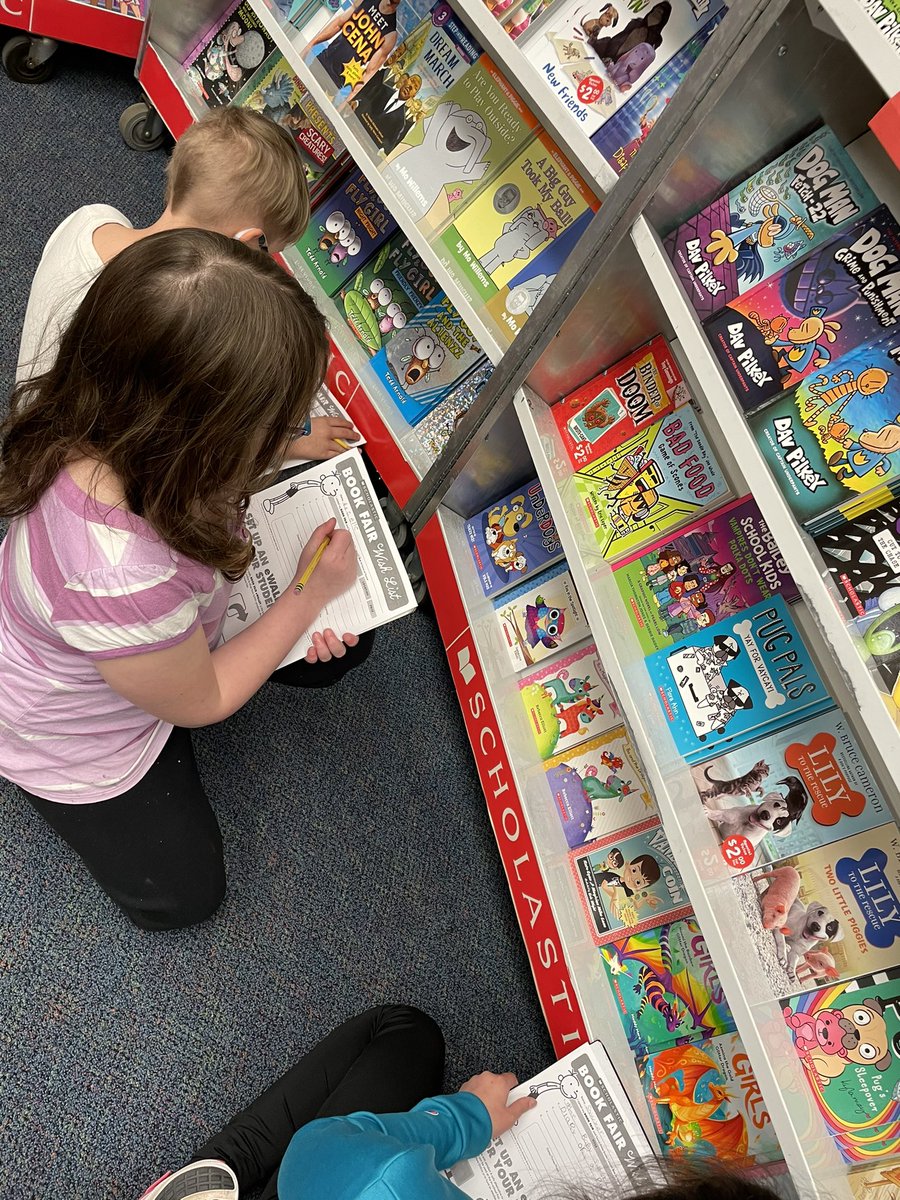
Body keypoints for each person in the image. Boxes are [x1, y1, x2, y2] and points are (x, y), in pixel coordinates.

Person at [0, 229, 369, 932]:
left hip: (154, 631)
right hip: (66, 734)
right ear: (204, 438)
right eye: (270, 425)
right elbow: (201, 700)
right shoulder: (119, 577)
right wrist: (304, 597)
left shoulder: (101, 420)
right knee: (184, 896)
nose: (282, 436)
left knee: (343, 646)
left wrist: (291, 443)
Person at [135, 1005, 785, 1200]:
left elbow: (322, 1153)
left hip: (328, 1177)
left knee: (403, 1033)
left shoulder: (382, 1184)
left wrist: (464, 1119)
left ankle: (216, 1173)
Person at [17, 105, 357, 462]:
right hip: (80, 469)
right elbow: (182, 451)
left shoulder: (93, 218)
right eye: (269, 253)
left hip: (32, 434)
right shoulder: (169, 323)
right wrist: (287, 444)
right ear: (247, 243)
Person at [303, 0, 400, 102]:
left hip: (335, 82)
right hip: (321, 62)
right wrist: (310, 45)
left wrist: (347, 101)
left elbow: (370, 71)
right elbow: (338, 23)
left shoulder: (390, 34)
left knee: (308, 112)